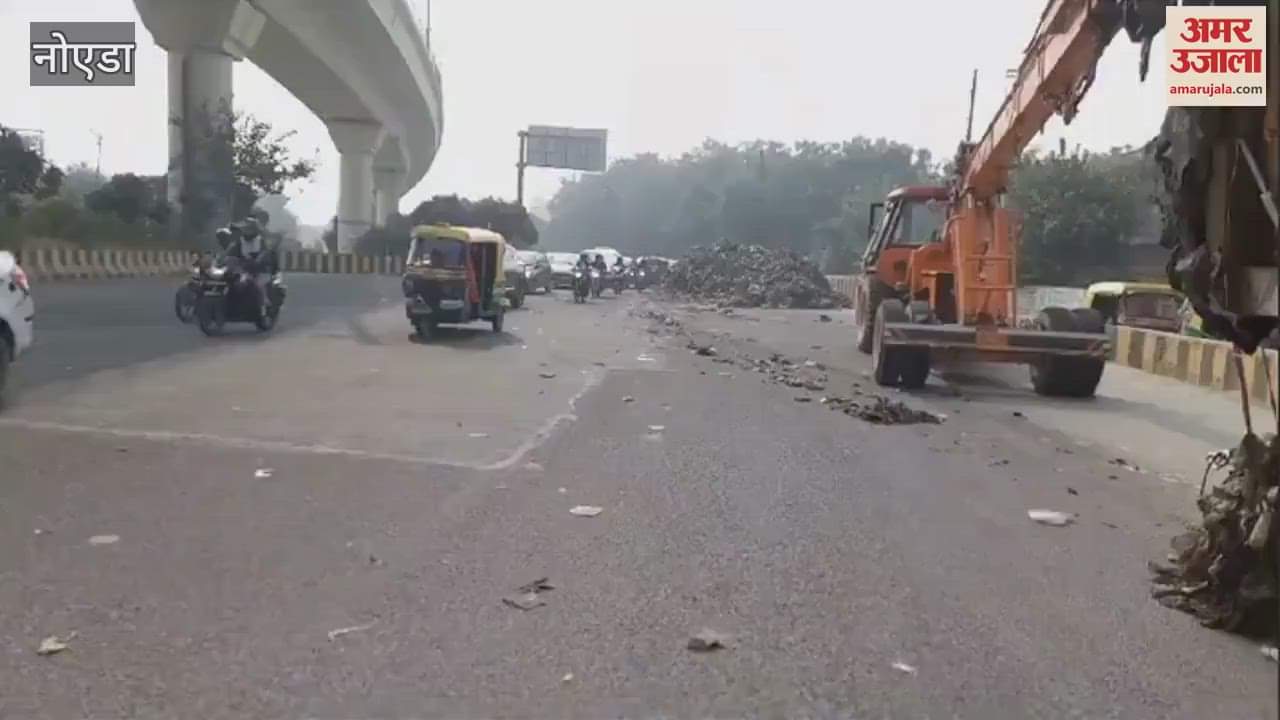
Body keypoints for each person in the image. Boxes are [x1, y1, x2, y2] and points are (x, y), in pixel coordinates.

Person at [225, 217, 275, 319]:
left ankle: (264, 304)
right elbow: (230, 254)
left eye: (249, 229)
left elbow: (265, 254)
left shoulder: (261, 241)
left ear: (254, 230)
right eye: (245, 229)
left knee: (258, 285)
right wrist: (226, 259)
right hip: (244, 270)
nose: (246, 231)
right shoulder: (239, 242)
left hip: (260, 271)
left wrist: (258, 260)